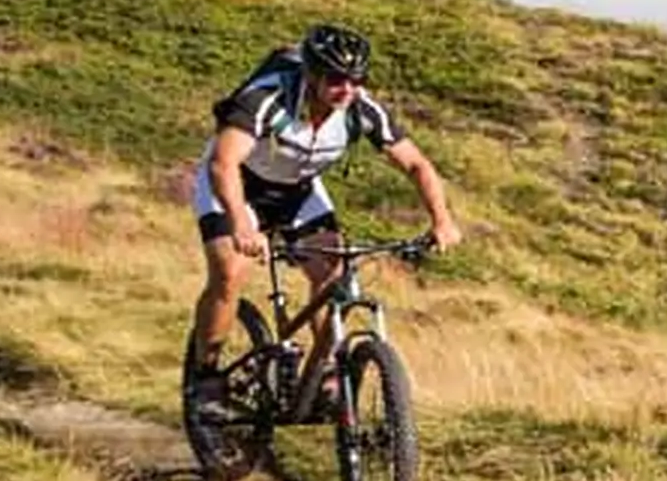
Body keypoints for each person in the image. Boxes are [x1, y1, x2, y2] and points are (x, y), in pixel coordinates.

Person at [184, 22, 460, 409]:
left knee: (333, 275)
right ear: (310, 74)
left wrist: (442, 220)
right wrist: (243, 224)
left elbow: (417, 164)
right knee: (230, 272)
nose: (346, 89)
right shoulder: (266, 98)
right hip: (236, 185)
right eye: (335, 79)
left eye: (356, 78)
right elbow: (223, 164)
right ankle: (206, 375)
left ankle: (320, 376)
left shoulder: (360, 108)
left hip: (298, 190)